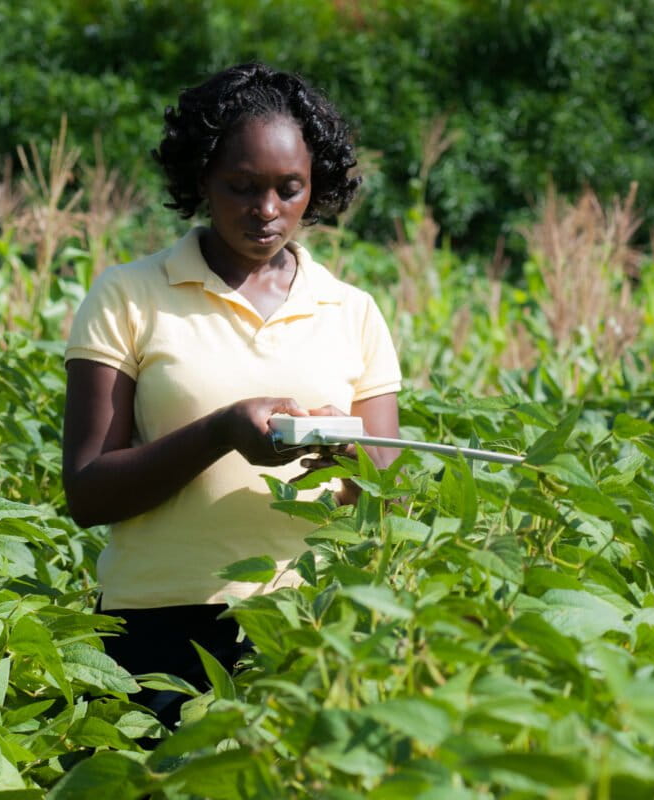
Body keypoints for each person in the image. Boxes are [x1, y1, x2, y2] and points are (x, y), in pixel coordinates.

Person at [62, 62, 401, 727]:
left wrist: (351, 459)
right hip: (157, 627)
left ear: (316, 187)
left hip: (309, 624)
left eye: (290, 189)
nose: (267, 211)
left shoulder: (351, 310)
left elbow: (387, 494)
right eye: (242, 187)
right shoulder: (129, 296)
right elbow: (88, 492)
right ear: (201, 182)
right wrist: (219, 433)